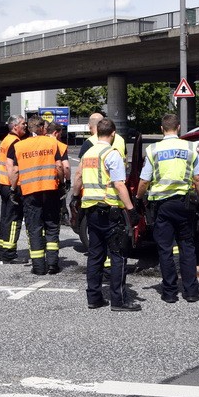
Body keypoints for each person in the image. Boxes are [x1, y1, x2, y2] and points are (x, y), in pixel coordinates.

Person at [135, 113, 199, 304]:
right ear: (179, 128)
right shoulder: (190, 148)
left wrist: (138, 198)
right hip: (185, 204)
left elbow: (144, 181)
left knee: (165, 249)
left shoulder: (153, 150)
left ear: (161, 129)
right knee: (187, 247)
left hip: (162, 206)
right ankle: (191, 291)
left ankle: (169, 292)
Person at [72, 118, 141, 312]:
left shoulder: (88, 154)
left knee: (95, 255)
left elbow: (77, 178)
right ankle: (118, 300)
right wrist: (131, 209)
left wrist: (75, 198)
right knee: (118, 254)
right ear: (112, 134)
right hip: (110, 211)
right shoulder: (112, 154)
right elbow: (119, 184)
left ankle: (94, 298)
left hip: (91, 211)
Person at [8, 116, 64, 275]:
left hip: (29, 192)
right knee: (52, 226)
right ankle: (53, 264)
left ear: (30, 128)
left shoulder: (19, 146)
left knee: (34, 228)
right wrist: (62, 183)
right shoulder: (52, 143)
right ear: (42, 129)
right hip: (50, 190)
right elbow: (59, 166)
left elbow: (15, 171)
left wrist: (13, 189)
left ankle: (39, 267)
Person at [0, 115, 26, 264]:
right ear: (15, 127)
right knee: (14, 220)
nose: (25, 126)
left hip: (3, 184)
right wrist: (15, 188)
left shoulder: (6, 139)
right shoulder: (15, 143)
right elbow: (12, 168)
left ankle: (3, 250)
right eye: (22, 124)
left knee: (5, 219)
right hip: (11, 184)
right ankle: (9, 253)